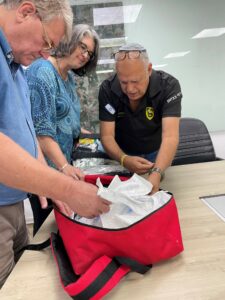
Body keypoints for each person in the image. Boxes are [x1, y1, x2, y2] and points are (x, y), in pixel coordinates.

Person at [0, 0, 110, 289]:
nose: (46, 52)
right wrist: (66, 186)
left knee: (28, 278)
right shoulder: (34, 68)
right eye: (47, 41)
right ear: (26, 12)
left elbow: (28, 131)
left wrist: (50, 183)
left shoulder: (15, 64)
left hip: (14, 200)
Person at [98, 43, 182, 194]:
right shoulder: (107, 89)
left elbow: (170, 136)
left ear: (149, 69)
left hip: (156, 155)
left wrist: (157, 172)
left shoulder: (169, 86)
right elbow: (106, 135)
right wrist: (124, 159)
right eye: (123, 82)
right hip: (122, 154)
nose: (130, 89)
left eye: (135, 81)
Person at [26, 24, 99, 180]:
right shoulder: (43, 72)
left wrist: (78, 130)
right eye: (83, 47)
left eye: (90, 53)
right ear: (69, 40)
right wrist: (64, 166)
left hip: (62, 167)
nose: (86, 55)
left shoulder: (69, 77)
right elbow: (41, 132)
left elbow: (62, 115)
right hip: (45, 172)